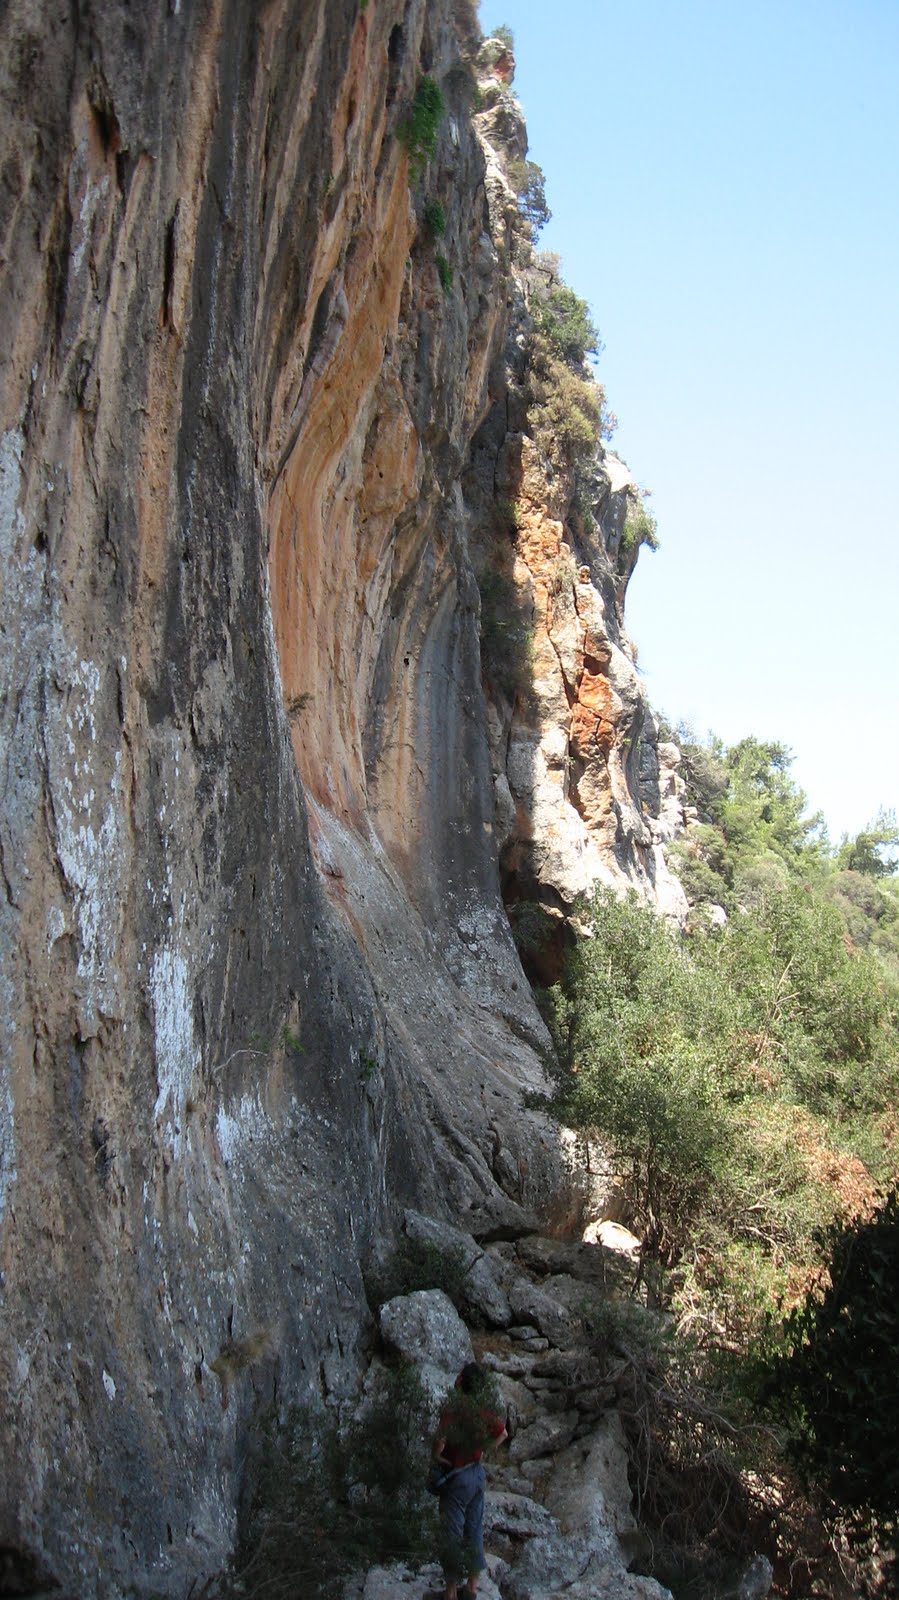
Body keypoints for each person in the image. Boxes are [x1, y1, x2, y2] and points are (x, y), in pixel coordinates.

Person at [431, 1361, 507, 1600]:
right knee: (474, 1530)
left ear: (461, 1381)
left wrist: (437, 1457)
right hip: (477, 1474)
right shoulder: (481, 1411)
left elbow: (440, 1441)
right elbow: (503, 1433)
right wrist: (483, 1450)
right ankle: (471, 1588)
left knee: (451, 1533)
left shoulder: (453, 1410)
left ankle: (451, 1593)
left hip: (457, 1477)